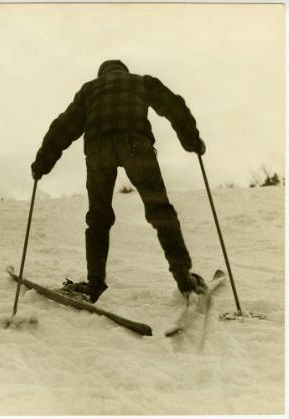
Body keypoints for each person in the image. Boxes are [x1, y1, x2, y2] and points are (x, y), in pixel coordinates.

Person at [31, 60, 207, 303]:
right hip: (136, 145)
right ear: (124, 71)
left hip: (98, 151)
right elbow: (174, 107)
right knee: (160, 210)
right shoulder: (142, 82)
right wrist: (192, 141)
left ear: (102, 74)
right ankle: (184, 279)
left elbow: (64, 127)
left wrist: (42, 164)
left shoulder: (90, 90)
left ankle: (94, 285)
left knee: (99, 217)